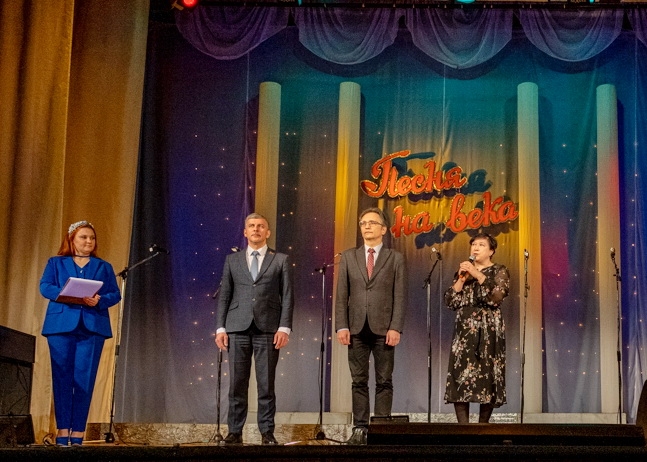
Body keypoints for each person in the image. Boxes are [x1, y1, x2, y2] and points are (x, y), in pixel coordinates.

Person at [39, 220, 121, 446]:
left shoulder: (103, 266)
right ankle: (62, 429)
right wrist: (67, 293)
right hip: (61, 326)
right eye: (83, 237)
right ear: (72, 239)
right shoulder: (56, 262)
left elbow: (115, 294)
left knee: (85, 380)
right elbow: (45, 286)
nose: (88, 241)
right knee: (62, 378)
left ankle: (78, 432)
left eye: (92, 238)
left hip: (92, 327)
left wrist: (99, 300)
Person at [215, 213, 294, 445]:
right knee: (237, 384)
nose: (256, 229)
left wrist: (284, 327)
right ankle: (234, 431)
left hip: (268, 328)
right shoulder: (232, 260)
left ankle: (267, 432)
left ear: (267, 232)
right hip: (237, 327)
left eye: (260, 226)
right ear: (245, 232)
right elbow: (225, 295)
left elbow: (287, 296)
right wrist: (220, 328)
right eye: (251, 226)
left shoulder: (280, 260)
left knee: (266, 384)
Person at [335, 207, 406, 445]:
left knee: (384, 380)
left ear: (383, 229)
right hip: (356, 328)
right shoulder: (349, 257)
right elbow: (341, 294)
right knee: (358, 380)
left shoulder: (395, 258)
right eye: (363, 222)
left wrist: (395, 327)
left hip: (384, 328)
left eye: (372, 223)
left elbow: (400, 295)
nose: (366, 226)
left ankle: (382, 427)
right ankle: (360, 428)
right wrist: (341, 326)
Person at [444, 232, 510, 423]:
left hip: (488, 328)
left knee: (487, 374)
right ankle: (463, 429)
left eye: (481, 245)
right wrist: (461, 278)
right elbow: (450, 301)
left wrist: (476, 273)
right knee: (460, 373)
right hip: (465, 329)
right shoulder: (464, 273)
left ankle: (483, 427)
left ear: (491, 251)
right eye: (473, 244)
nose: (476, 248)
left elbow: (497, 296)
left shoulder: (499, 270)